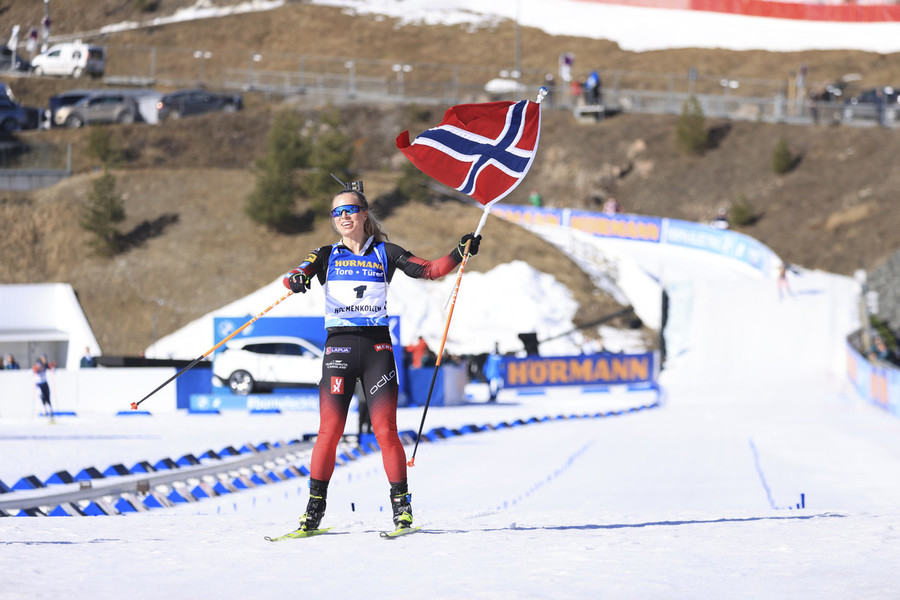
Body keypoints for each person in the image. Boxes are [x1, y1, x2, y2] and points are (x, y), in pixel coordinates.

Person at [281, 182, 482, 534]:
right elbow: (294, 275)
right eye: (337, 212)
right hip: (339, 349)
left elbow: (430, 270)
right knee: (329, 431)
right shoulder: (326, 255)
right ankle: (312, 512)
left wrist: (458, 251)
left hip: (377, 350)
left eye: (349, 210)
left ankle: (402, 509)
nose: (343, 216)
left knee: (386, 432)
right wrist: (297, 280)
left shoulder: (385, 252)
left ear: (363, 214)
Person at [33, 355, 54, 420]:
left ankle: (50, 411)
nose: (40, 367)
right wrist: (34, 370)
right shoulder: (36, 369)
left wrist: (51, 367)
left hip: (45, 384)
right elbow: (30, 373)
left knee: (48, 397)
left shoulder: (45, 366)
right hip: (39, 385)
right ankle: (44, 410)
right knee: (42, 397)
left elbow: (53, 370)